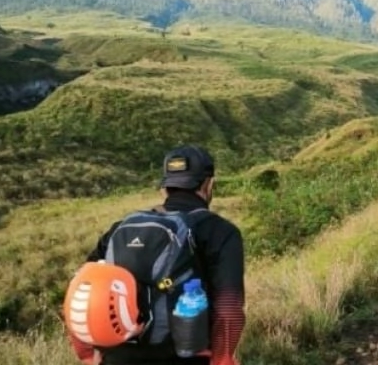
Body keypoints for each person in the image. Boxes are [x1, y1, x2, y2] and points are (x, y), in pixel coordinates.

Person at [65, 145, 246, 365]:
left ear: (164, 188)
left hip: (117, 357)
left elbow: (81, 287)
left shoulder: (121, 228)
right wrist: (223, 358)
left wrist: (87, 354)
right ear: (209, 185)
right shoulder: (221, 232)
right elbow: (229, 309)